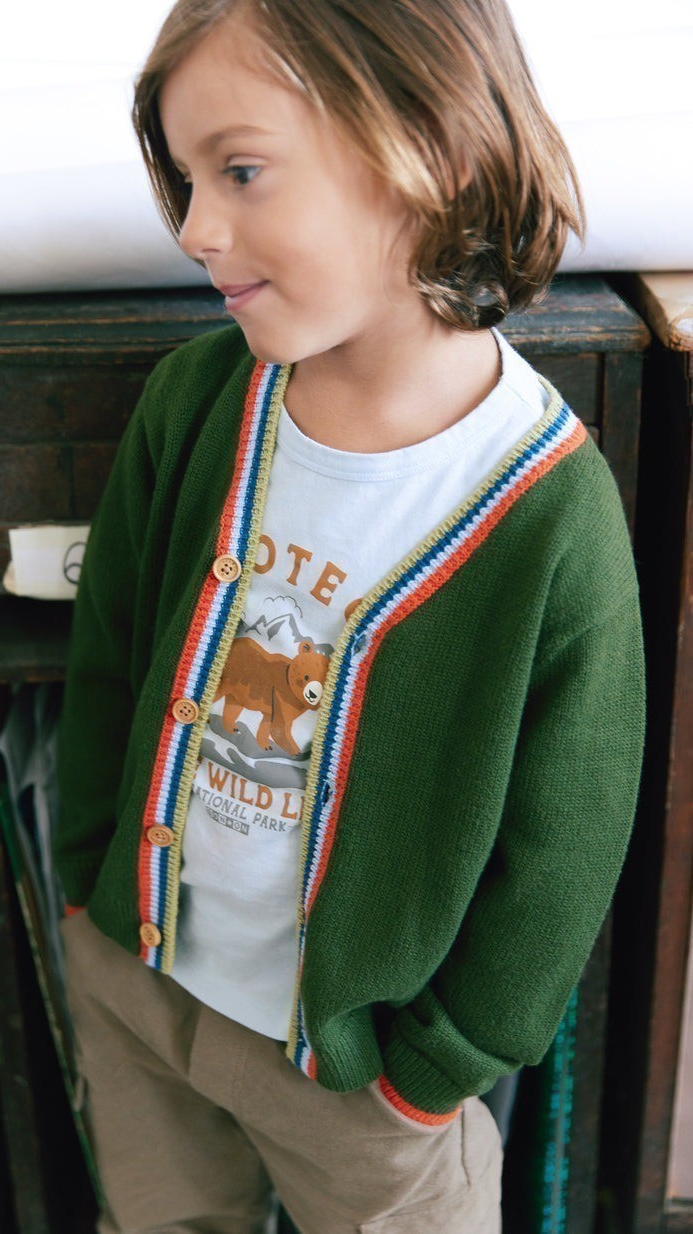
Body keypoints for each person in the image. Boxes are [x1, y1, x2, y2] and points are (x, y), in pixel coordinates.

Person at [54, 2, 645, 1231]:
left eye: (240, 170)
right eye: (186, 179)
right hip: (142, 983)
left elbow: (566, 837)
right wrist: (86, 885)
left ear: (428, 150)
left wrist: (440, 1066)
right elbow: (108, 655)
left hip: (363, 1078)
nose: (194, 228)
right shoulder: (196, 401)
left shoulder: (545, 511)